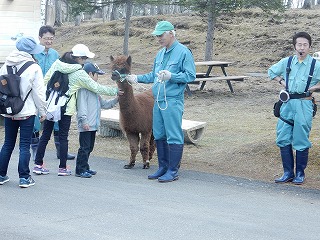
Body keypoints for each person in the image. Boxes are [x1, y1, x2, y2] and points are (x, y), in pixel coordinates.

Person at [33, 44, 118, 176]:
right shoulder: (79, 73)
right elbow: (97, 88)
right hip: (65, 108)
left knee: (45, 135)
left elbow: (45, 81)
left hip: (50, 106)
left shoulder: (57, 63)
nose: (85, 62)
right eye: (84, 59)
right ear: (79, 58)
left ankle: (38, 165)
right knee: (63, 138)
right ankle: (62, 168)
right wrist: (117, 91)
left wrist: (46, 102)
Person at [126, 21, 196, 182]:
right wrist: (137, 78)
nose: (158, 38)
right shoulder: (160, 54)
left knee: (173, 135)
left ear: (171, 33)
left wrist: (173, 76)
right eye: (157, 36)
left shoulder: (183, 52)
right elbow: (153, 75)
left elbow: (191, 76)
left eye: (161, 35)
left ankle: (173, 170)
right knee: (159, 134)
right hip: (157, 100)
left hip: (172, 100)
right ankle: (163, 167)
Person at [268, 32, 320, 185]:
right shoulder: (287, 61)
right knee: (282, 137)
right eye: (299, 45)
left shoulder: (316, 65)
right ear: (294, 46)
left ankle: (300, 173)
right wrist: (282, 81)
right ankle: (287, 173)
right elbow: (271, 71)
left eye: (305, 45)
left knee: (301, 139)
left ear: (309, 47)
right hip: (287, 104)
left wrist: (315, 87)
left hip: (304, 104)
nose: (301, 48)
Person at [0, 37, 47, 188]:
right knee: (24, 145)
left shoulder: (6, 64)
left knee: (7, 143)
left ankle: (1, 175)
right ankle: (24, 178)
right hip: (26, 112)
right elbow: (39, 93)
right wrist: (43, 111)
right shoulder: (34, 67)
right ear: (30, 52)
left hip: (9, 111)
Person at [32, 25, 75, 162]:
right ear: (40, 38)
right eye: (46, 38)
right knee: (36, 121)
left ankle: (60, 151)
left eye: (51, 38)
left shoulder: (55, 54)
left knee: (57, 120)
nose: (49, 41)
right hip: (37, 92)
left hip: (53, 93)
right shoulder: (34, 54)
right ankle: (35, 152)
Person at [75, 62, 120, 178]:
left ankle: (85, 167)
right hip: (86, 124)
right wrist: (84, 121)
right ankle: (80, 170)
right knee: (84, 148)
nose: (97, 78)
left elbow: (104, 104)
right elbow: (82, 107)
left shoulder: (95, 90)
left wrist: (116, 100)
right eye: (97, 75)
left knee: (89, 147)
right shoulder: (83, 89)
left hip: (93, 124)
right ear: (90, 74)